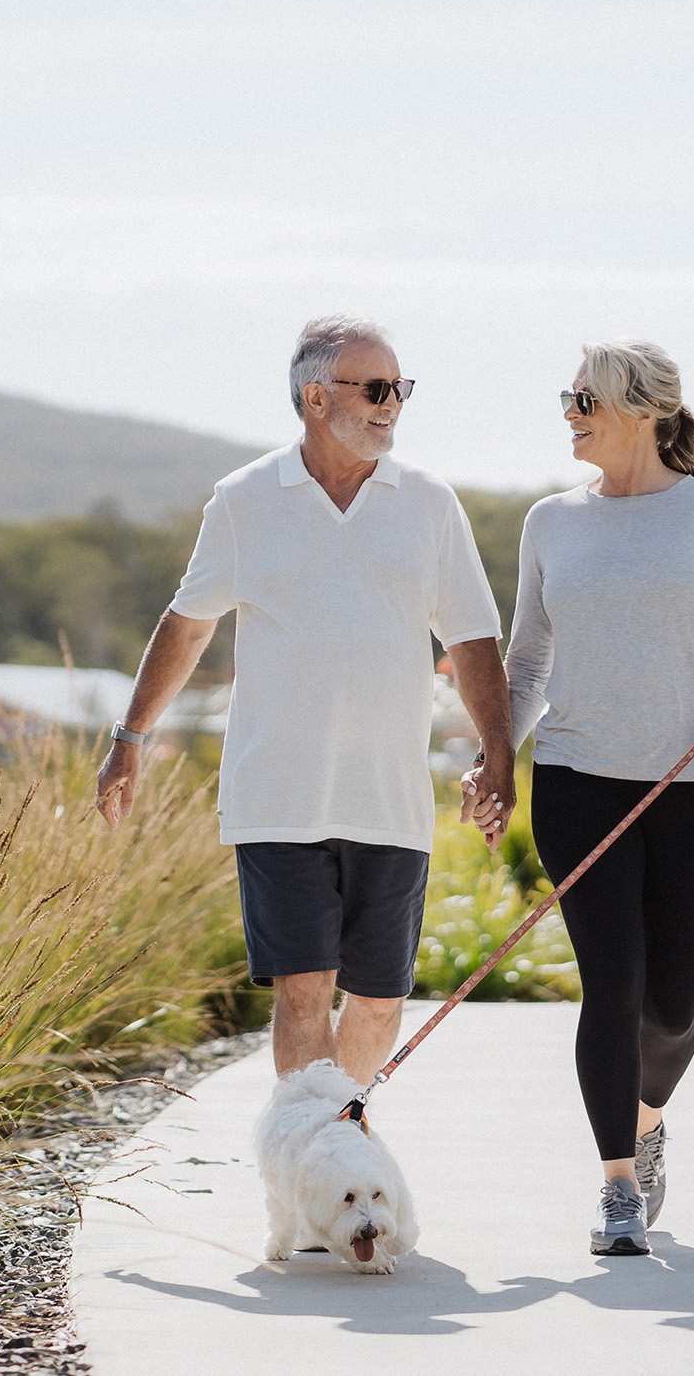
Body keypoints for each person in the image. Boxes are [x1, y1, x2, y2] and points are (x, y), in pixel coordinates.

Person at [96, 315, 515, 1089]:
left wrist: (500, 757)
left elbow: (474, 643)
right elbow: (185, 628)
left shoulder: (428, 503)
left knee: (382, 1003)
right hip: (276, 796)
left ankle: (338, 1147)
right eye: (377, 388)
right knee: (303, 995)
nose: (394, 404)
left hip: (388, 800)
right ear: (316, 397)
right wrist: (130, 737)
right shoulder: (245, 499)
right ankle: (316, 1174)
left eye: (402, 388)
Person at [504, 339, 694, 1256]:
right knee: (611, 985)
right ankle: (617, 1186)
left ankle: (647, 1120)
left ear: (643, 409)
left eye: (582, 396)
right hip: (578, 781)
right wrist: (490, 758)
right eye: (568, 395)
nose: (569, 410)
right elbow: (525, 660)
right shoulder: (552, 522)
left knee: (671, 1004)